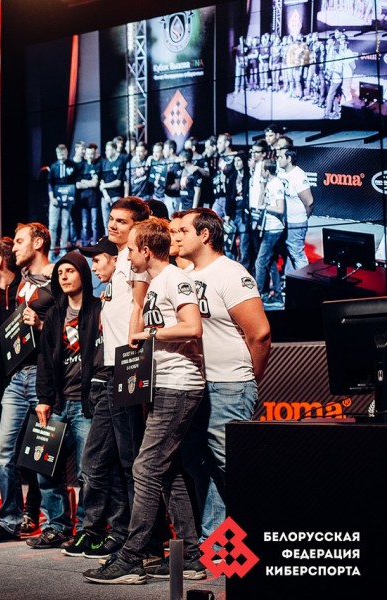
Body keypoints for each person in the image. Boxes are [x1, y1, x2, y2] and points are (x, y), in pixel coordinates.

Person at [84, 217, 206, 584]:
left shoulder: (174, 278)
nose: (127, 256)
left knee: (145, 468)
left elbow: (193, 327)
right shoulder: (154, 284)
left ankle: (132, 557)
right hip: (163, 384)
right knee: (166, 471)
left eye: (131, 250)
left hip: (178, 385)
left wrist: (148, 334)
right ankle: (191, 557)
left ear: (147, 251)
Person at [63, 198, 151, 561]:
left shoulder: (136, 262)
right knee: (97, 460)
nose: (112, 225)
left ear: (138, 226)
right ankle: (112, 531)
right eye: (111, 219)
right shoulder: (120, 265)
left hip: (129, 365)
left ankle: (141, 543)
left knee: (132, 462)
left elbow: (142, 310)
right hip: (111, 371)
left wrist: (132, 359)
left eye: (121, 221)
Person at [176, 209, 271, 543]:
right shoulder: (184, 275)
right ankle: (215, 544)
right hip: (196, 386)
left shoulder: (231, 273)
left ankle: (262, 537)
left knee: (232, 467)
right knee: (200, 463)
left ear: (204, 234)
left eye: (183, 231)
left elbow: (259, 333)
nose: (176, 237)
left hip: (229, 383)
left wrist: (248, 377)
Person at [34, 249, 102, 548]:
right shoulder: (54, 315)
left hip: (86, 404)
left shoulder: (98, 309)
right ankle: (56, 526)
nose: (63, 277)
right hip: (58, 404)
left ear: (83, 274)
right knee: (45, 466)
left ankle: (88, 528)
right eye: (59, 273)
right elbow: (44, 360)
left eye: (69, 271)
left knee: (89, 472)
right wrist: (44, 398)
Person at [0, 237, 43, 541]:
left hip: (37, 374)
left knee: (37, 451)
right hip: (8, 378)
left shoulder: (26, 287)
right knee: (3, 451)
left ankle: (36, 512)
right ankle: (10, 520)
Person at [254, 160, 287, 308]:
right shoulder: (270, 183)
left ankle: (258, 295)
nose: (261, 171)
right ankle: (277, 296)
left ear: (267, 171)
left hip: (274, 230)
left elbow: (280, 209)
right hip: (269, 228)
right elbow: (260, 203)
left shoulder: (277, 185)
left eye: (262, 169)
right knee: (271, 263)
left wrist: (265, 207)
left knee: (260, 262)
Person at [277, 147, 313, 275]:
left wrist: (302, 218)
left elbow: (309, 202)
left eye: (280, 157)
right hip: (285, 221)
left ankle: (305, 280)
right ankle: (291, 278)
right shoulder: (281, 173)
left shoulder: (298, 175)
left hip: (297, 222)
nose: (278, 159)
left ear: (289, 159)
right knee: (288, 252)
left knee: (297, 254)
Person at [47, 144, 78, 261]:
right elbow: (49, 183)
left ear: (66, 152)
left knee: (65, 224)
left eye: (63, 153)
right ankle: (51, 250)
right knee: (53, 225)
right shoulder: (54, 166)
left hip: (67, 199)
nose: (61, 155)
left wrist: (71, 196)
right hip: (55, 199)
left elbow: (74, 182)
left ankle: (63, 249)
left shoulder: (72, 165)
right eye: (59, 153)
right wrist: (51, 197)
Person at [99, 140, 127, 230]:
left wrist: (105, 186)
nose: (106, 152)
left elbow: (118, 182)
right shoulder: (104, 162)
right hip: (105, 197)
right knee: (106, 222)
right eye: (106, 150)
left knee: (117, 221)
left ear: (114, 150)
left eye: (108, 150)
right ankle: (107, 238)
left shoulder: (120, 162)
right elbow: (101, 181)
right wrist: (105, 195)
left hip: (116, 196)